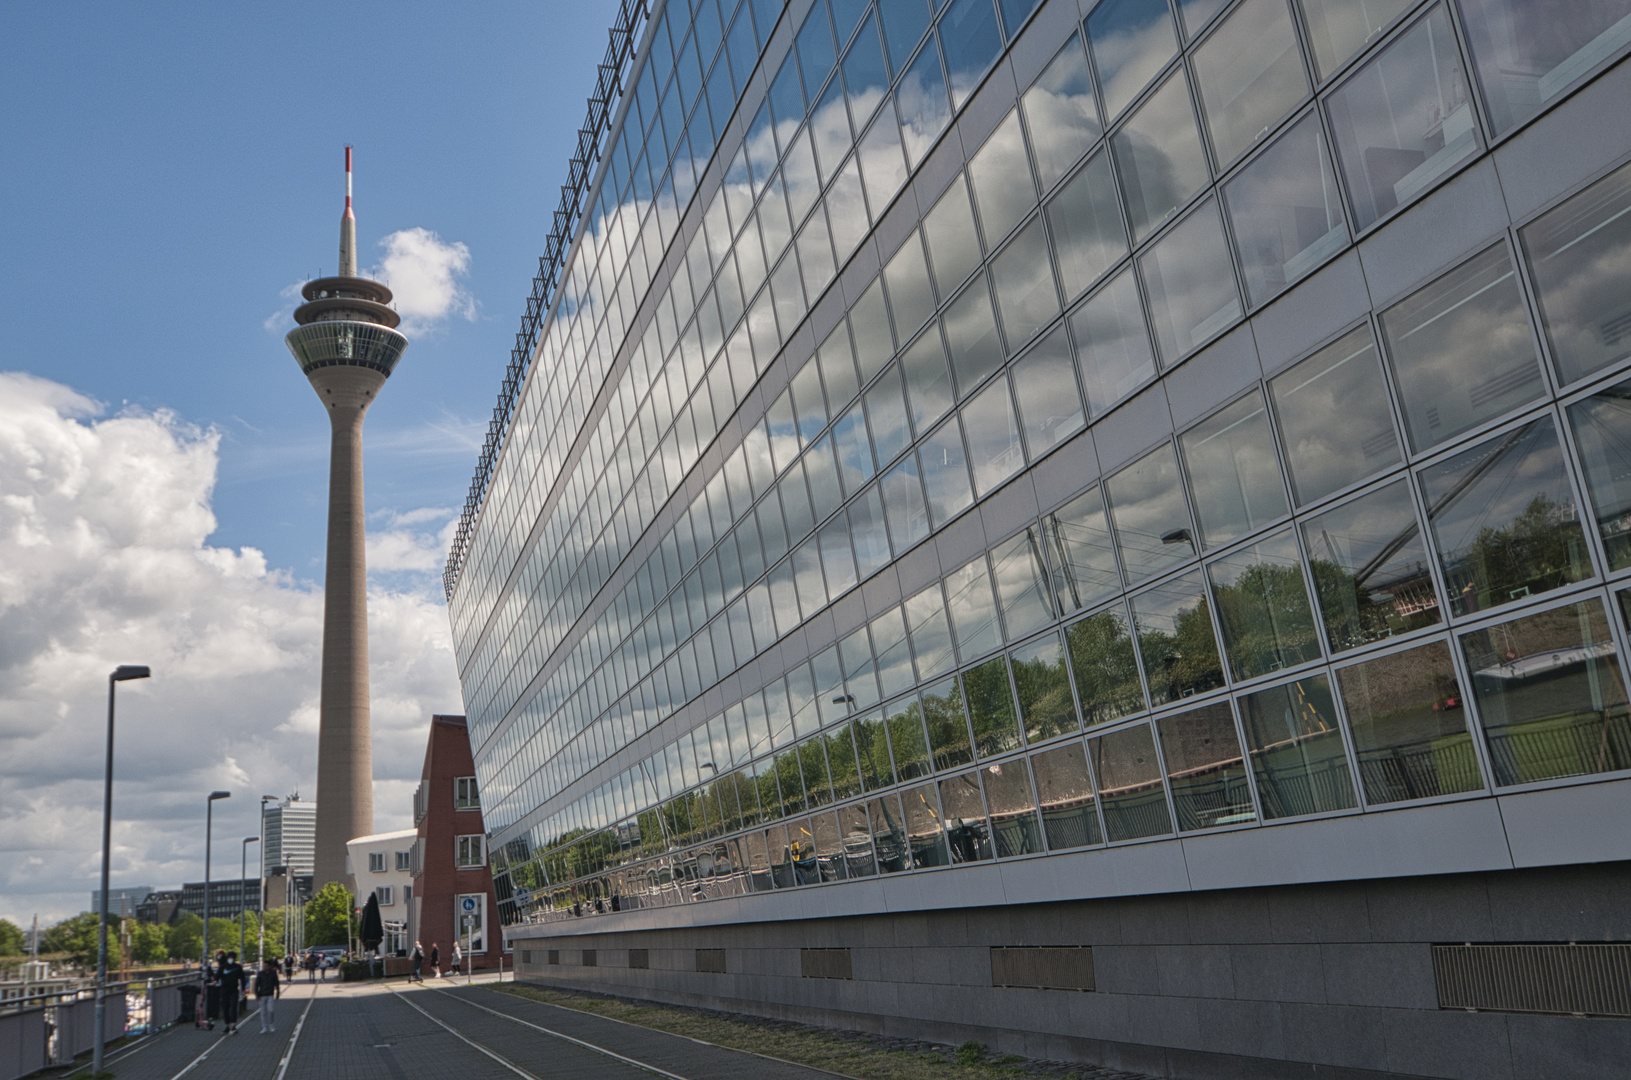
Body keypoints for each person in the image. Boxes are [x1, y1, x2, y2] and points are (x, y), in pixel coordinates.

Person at [220, 951, 243, 1034]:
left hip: (234, 990)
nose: (230, 959)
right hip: (224, 991)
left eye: (232, 958)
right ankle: (227, 1025)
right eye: (229, 958)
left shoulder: (237, 967)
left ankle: (233, 1026)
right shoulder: (223, 967)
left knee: (233, 1008)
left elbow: (242, 978)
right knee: (225, 1008)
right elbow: (217, 976)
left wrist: (243, 989)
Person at [254, 960, 280, 1033]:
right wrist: (256, 994)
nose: (264, 967)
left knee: (271, 1010)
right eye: (263, 966)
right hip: (262, 995)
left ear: (269, 966)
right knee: (263, 1012)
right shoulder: (260, 974)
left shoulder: (273, 974)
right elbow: (256, 984)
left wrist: (278, 992)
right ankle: (264, 1027)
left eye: (266, 966)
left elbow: (276, 983)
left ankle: (271, 1025)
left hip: (270, 994)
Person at [204, 952, 224, 1030]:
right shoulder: (220, 965)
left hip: (220, 986)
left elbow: (218, 975)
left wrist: (214, 980)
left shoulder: (221, 966)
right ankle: (213, 1014)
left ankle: (212, 1015)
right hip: (218, 985)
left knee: (216, 1001)